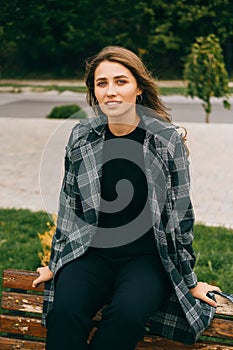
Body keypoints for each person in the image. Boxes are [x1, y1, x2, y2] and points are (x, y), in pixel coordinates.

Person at [32, 46, 221, 349]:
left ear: (139, 89)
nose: (111, 91)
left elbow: (180, 216)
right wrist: (55, 263)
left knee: (127, 316)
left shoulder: (165, 139)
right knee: (64, 312)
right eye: (102, 83)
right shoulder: (82, 136)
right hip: (90, 253)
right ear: (94, 92)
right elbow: (69, 206)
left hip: (146, 258)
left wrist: (189, 280)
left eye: (121, 81)